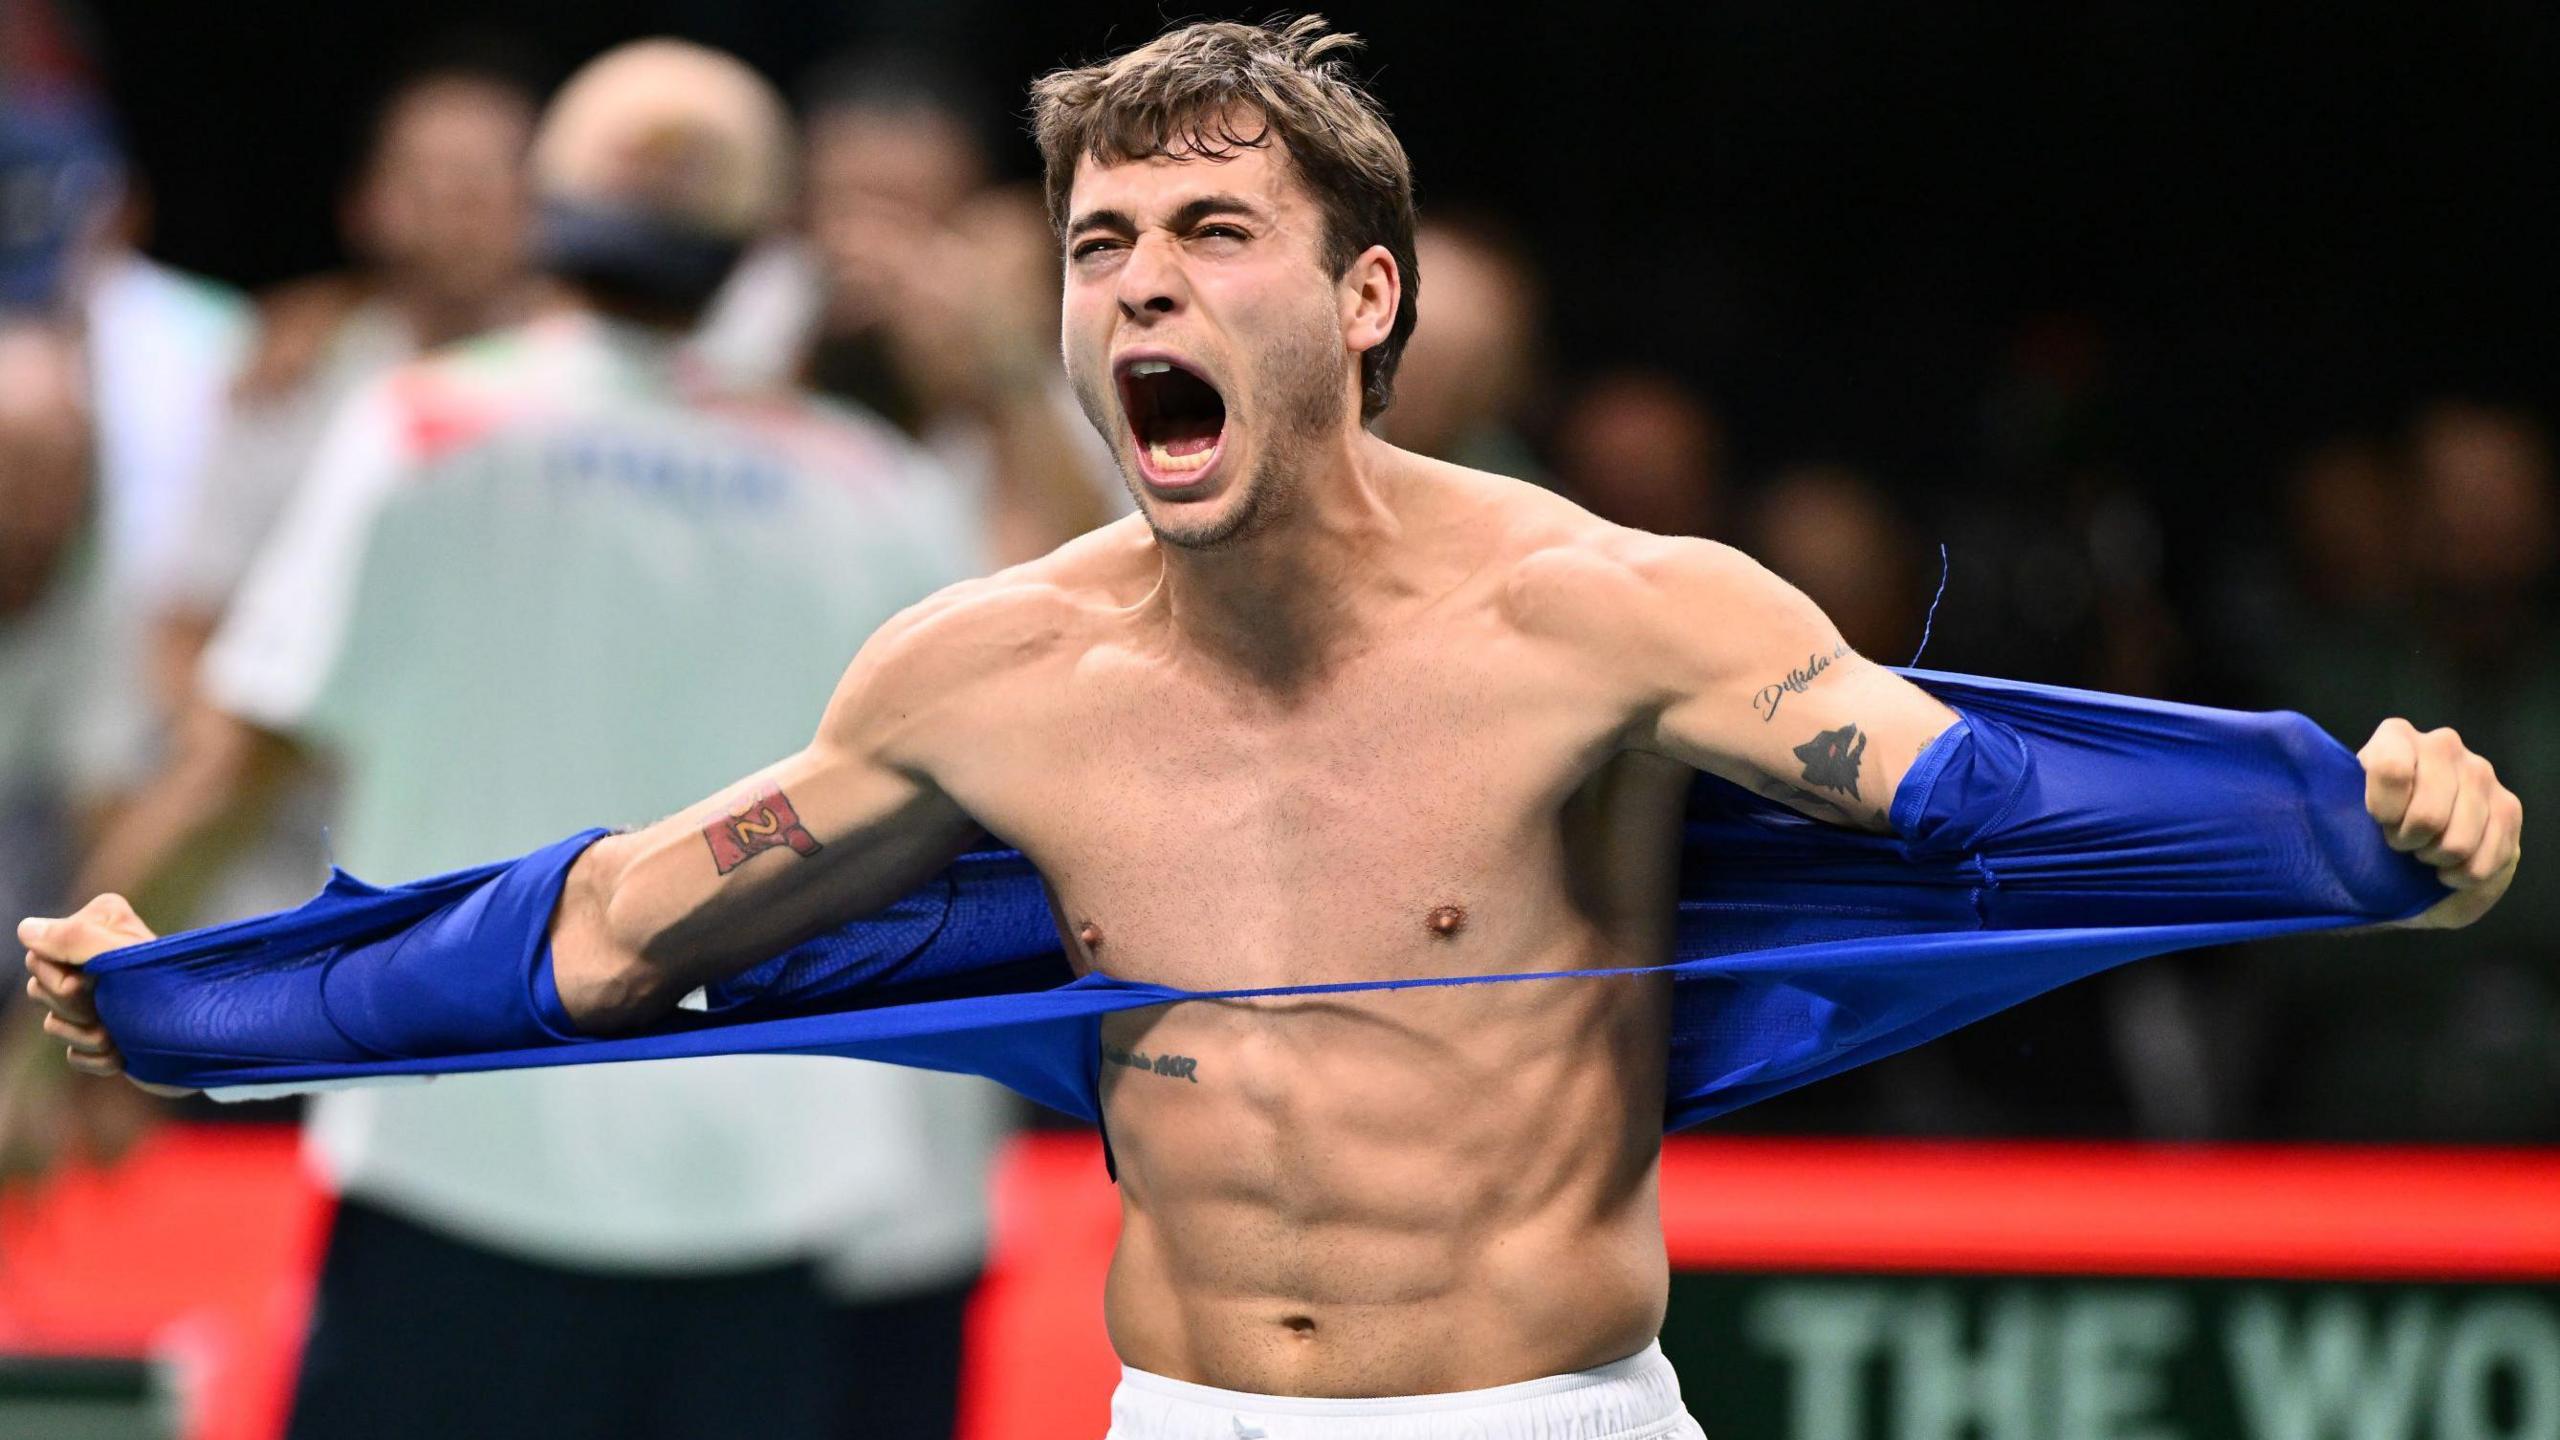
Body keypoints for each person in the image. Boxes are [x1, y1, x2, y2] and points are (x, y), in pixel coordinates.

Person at [23, 18, 2522, 1440]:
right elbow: (601, 941)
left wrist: (2349, 821)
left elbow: (1976, 799)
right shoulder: (983, 671)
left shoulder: (1602, 608)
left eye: (1207, 233)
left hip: (1544, 1423)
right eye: (1100, 240)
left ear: (1363, 298)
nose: (1139, 283)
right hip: (1184, 1422)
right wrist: (191, 1001)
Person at [40, 40, 1003, 1440]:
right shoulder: (881, 492)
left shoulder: (428, 428)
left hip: (457, 1170)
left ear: (547, 211)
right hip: (770, 1206)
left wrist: (89, 1034)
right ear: (757, 246)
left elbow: (226, 773)